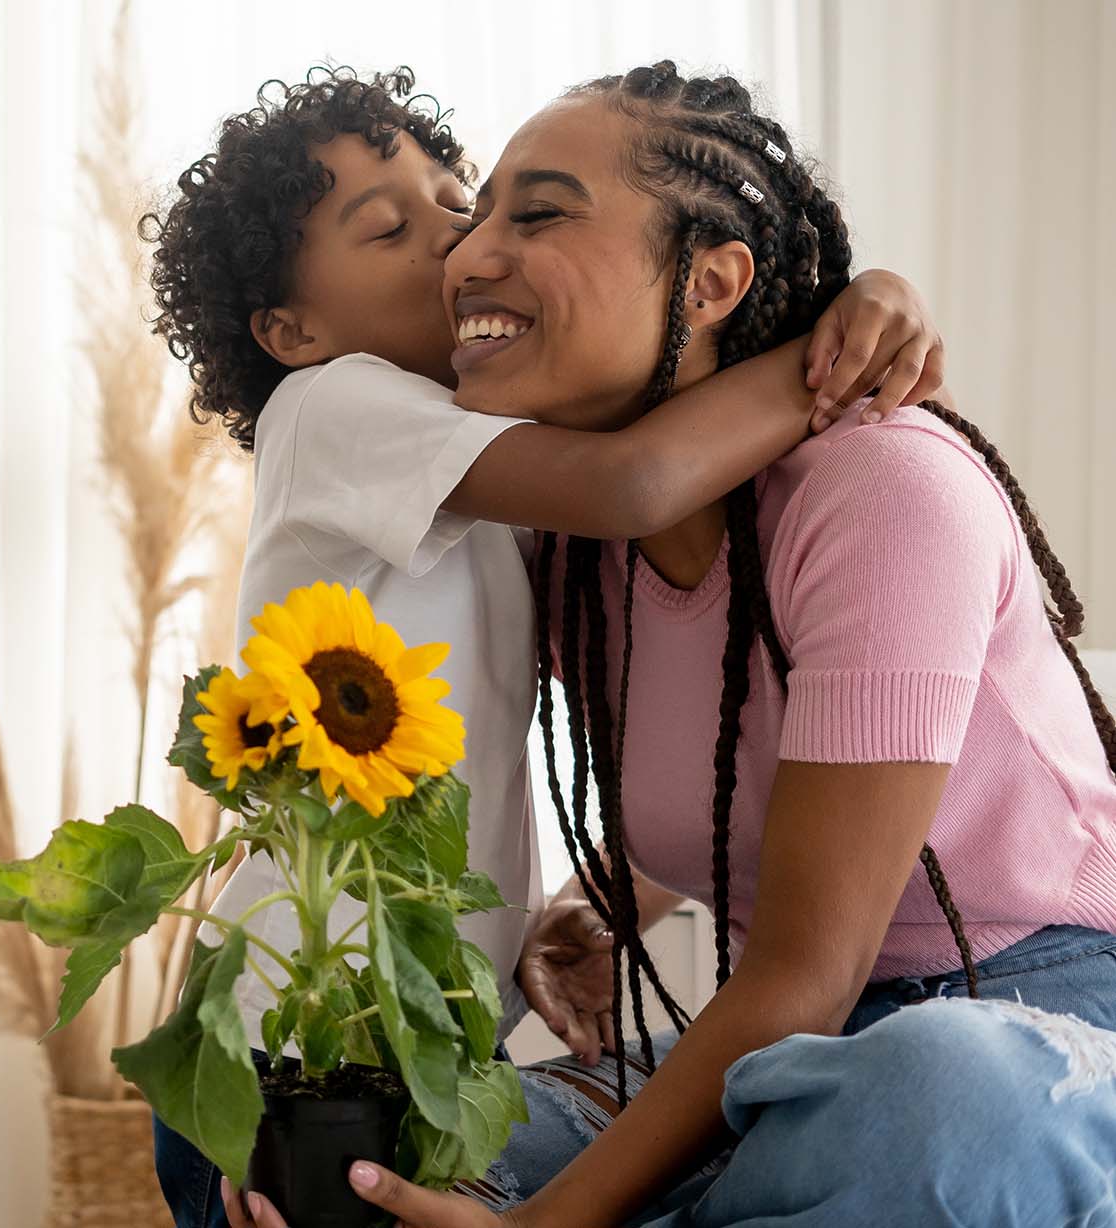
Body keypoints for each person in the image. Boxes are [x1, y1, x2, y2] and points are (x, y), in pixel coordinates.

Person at [223, 61, 1116, 1228]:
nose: (465, 256)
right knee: (362, 1161)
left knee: (939, 1102)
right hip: (799, 1045)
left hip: (1030, 1012)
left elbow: (808, 968)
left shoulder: (885, 486)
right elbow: (751, 751)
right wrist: (605, 899)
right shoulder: (566, 550)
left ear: (710, 279)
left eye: (530, 212)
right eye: (473, 214)